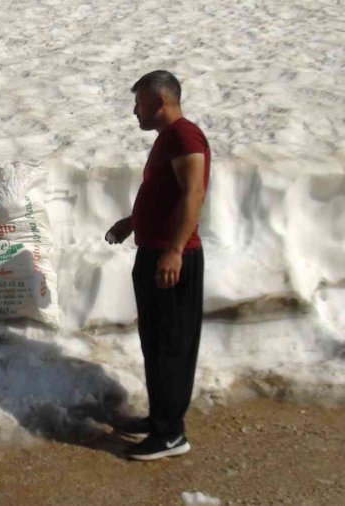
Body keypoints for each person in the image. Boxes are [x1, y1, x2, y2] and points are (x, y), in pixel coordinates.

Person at [105, 70, 210, 460]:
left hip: (173, 259)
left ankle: (172, 434)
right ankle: (160, 418)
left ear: (161, 101)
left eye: (139, 103)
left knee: (172, 344)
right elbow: (163, 195)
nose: (135, 111)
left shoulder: (185, 135)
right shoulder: (168, 139)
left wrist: (175, 250)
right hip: (154, 253)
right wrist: (132, 222)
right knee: (156, 342)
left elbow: (193, 192)